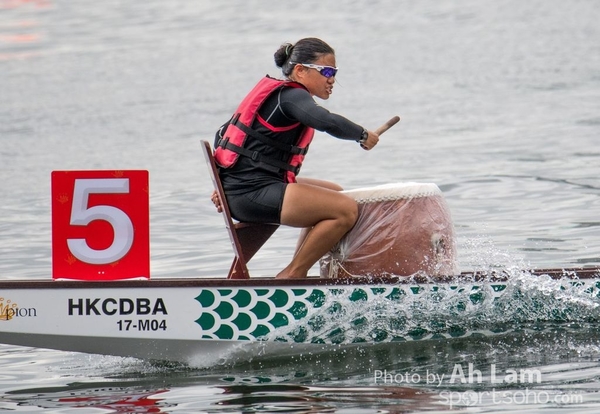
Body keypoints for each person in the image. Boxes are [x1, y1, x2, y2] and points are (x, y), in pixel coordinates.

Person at [211, 37, 379, 279]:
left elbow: (221, 136)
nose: (332, 79)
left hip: (248, 189)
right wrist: (361, 135)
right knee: (345, 210)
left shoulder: (278, 96)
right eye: (327, 71)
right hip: (251, 193)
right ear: (300, 70)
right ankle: (293, 274)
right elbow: (325, 121)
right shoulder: (292, 97)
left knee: (337, 193)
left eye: (335, 72)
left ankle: (297, 264)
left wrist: (222, 183)